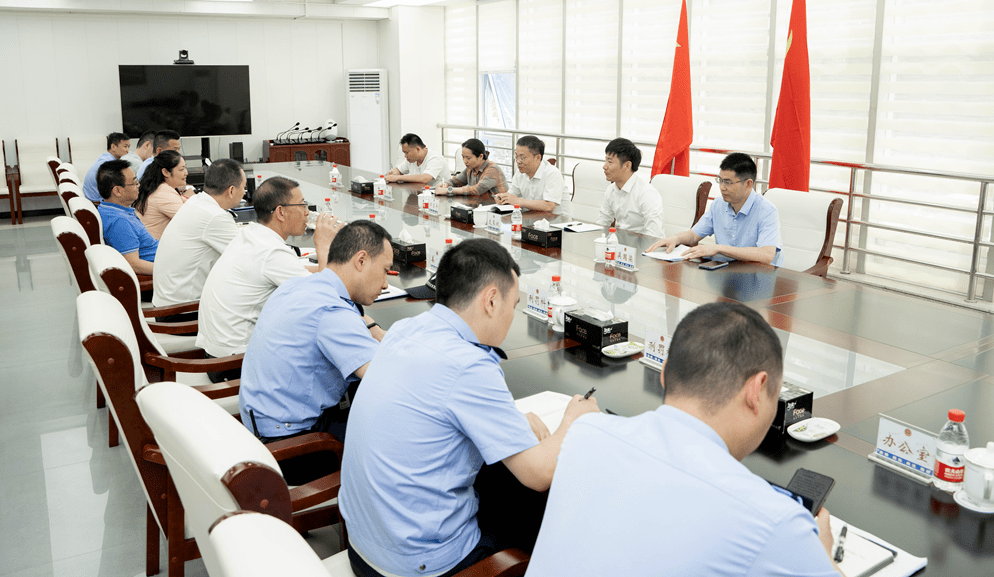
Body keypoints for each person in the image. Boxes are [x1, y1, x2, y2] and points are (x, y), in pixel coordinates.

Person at [339, 238, 600, 577]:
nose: (511, 315)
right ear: (491, 300)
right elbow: (539, 474)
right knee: (546, 511)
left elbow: (432, 402)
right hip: (416, 563)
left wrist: (508, 418)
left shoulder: (407, 330)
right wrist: (573, 422)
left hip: (363, 543)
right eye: (513, 304)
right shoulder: (468, 365)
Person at [525, 302, 840, 576]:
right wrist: (821, 553)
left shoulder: (585, 435)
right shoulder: (774, 520)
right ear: (757, 390)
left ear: (663, 374)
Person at [239, 220, 393, 483]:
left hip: (259, 430)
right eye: (385, 271)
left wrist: (376, 330)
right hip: (296, 449)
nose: (386, 284)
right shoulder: (331, 312)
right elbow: (387, 379)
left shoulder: (299, 286)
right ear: (361, 260)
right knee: (400, 432)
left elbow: (351, 321)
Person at [196, 177, 342, 379]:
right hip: (235, 365)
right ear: (280, 212)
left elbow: (293, 271)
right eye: (302, 204)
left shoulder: (252, 235)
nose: (307, 212)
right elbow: (326, 299)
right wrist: (324, 246)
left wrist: (329, 271)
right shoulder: (272, 252)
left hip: (217, 355)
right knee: (330, 357)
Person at [646, 152, 783, 266]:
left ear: (748, 184)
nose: (722, 187)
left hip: (759, 277)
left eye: (728, 182)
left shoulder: (767, 210)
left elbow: (767, 255)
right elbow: (694, 235)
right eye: (720, 180)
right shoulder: (719, 204)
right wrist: (675, 238)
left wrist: (718, 249)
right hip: (725, 273)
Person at [152, 158, 246, 310]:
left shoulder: (196, 202)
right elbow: (248, 259)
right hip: (183, 312)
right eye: (243, 187)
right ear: (231, 190)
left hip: (167, 304)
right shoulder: (214, 216)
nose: (244, 192)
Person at [95, 159, 157, 275]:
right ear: (117, 191)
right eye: (134, 183)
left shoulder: (111, 209)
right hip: (160, 267)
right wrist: (169, 271)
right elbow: (134, 265)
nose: (138, 186)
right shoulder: (119, 221)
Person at [132, 150, 194, 239]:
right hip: (155, 249)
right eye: (181, 169)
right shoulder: (163, 192)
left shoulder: (158, 188)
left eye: (185, 168)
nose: (186, 173)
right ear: (165, 172)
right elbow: (191, 221)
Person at [493, 135, 564, 212]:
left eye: (522, 158)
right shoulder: (520, 173)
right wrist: (503, 199)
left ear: (538, 157)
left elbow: (549, 206)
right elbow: (512, 195)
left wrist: (517, 201)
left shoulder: (552, 173)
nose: (518, 161)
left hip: (557, 221)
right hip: (531, 218)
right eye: (516, 157)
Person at [435, 138, 507, 198]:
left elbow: (477, 189)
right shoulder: (471, 168)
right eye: (463, 157)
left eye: (468, 158)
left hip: (495, 209)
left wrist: (449, 190)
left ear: (480, 156)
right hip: (478, 206)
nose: (464, 161)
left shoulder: (493, 169)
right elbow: (456, 181)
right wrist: (445, 184)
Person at [384, 133, 450, 184]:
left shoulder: (435, 158)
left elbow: (424, 178)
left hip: (438, 197)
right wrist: (392, 173)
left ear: (417, 149)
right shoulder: (411, 160)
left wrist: (397, 178)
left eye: (406, 152)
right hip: (419, 193)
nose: (405, 156)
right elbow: (398, 170)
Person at [82, 132, 130, 202]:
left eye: (128, 147)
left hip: (91, 197)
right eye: (125, 146)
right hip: (97, 201)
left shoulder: (104, 157)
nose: (128, 150)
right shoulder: (109, 164)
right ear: (113, 147)